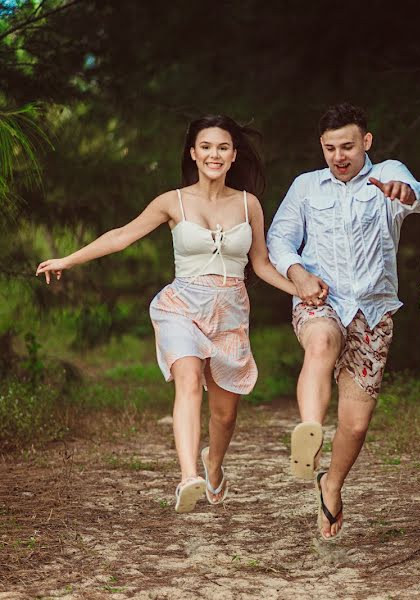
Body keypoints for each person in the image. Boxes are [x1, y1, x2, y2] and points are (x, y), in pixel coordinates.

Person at [36, 115, 299, 513]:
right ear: (193, 153)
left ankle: (213, 465)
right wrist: (69, 260)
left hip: (230, 312)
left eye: (223, 147)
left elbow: (260, 264)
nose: (214, 154)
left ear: (234, 155)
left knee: (225, 416)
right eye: (206, 147)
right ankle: (188, 477)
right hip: (181, 307)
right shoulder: (172, 201)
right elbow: (121, 236)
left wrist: (301, 291)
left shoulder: (249, 205)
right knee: (188, 378)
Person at [267, 103, 420, 539]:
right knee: (321, 341)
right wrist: (298, 274)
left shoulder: (388, 174)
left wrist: (404, 193)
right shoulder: (306, 187)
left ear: (366, 142)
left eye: (348, 146)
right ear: (321, 147)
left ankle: (331, 484)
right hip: (322, 298)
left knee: (356, 424)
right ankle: (310, 431)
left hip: (374, 311)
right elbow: (279, 238)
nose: (339, 156)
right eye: (330, 148)